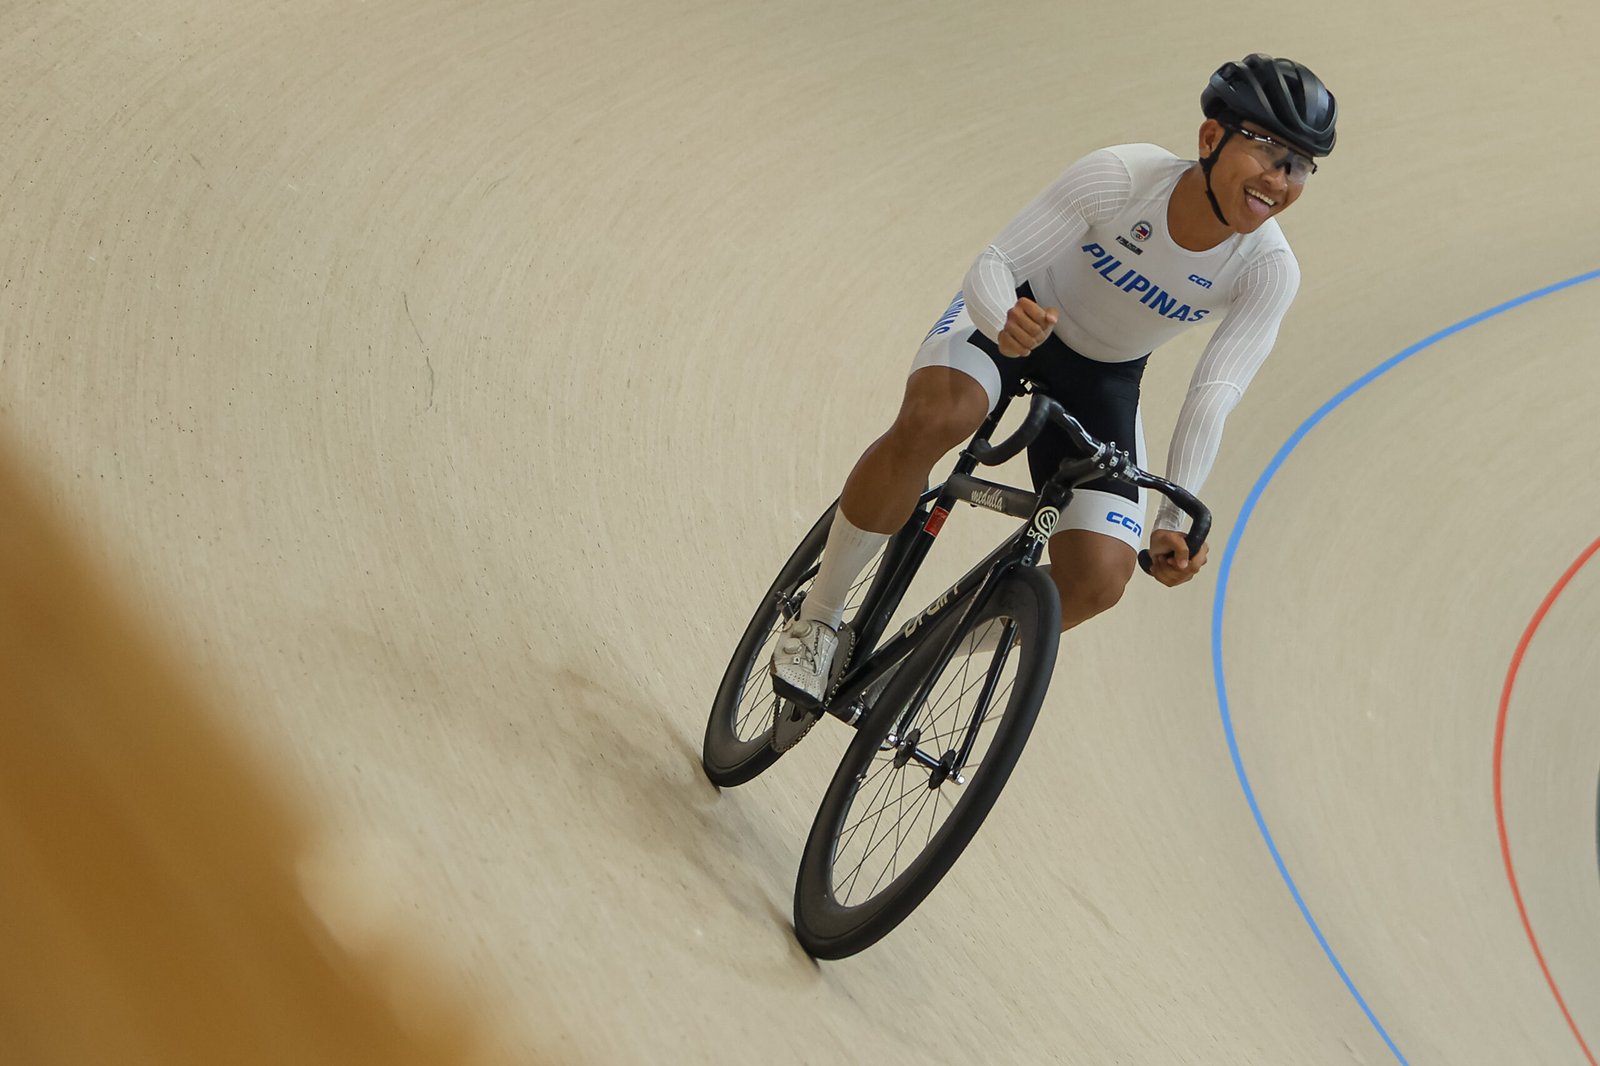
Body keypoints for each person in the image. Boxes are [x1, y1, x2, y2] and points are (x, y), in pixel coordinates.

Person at [769, 54, 1338, 708]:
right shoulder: (1123, 177)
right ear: (1211, 139)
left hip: (1103, 377)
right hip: (1018, 313)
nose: (1279, 180)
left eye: (1298, 166)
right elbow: (997, 262)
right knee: (937, 419)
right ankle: (819, 617)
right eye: (1268, 151)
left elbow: (1215, 393)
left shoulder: (1267, 270)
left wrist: (1176, 518)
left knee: (1100, 579)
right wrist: (1001, 317)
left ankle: (919, 665)